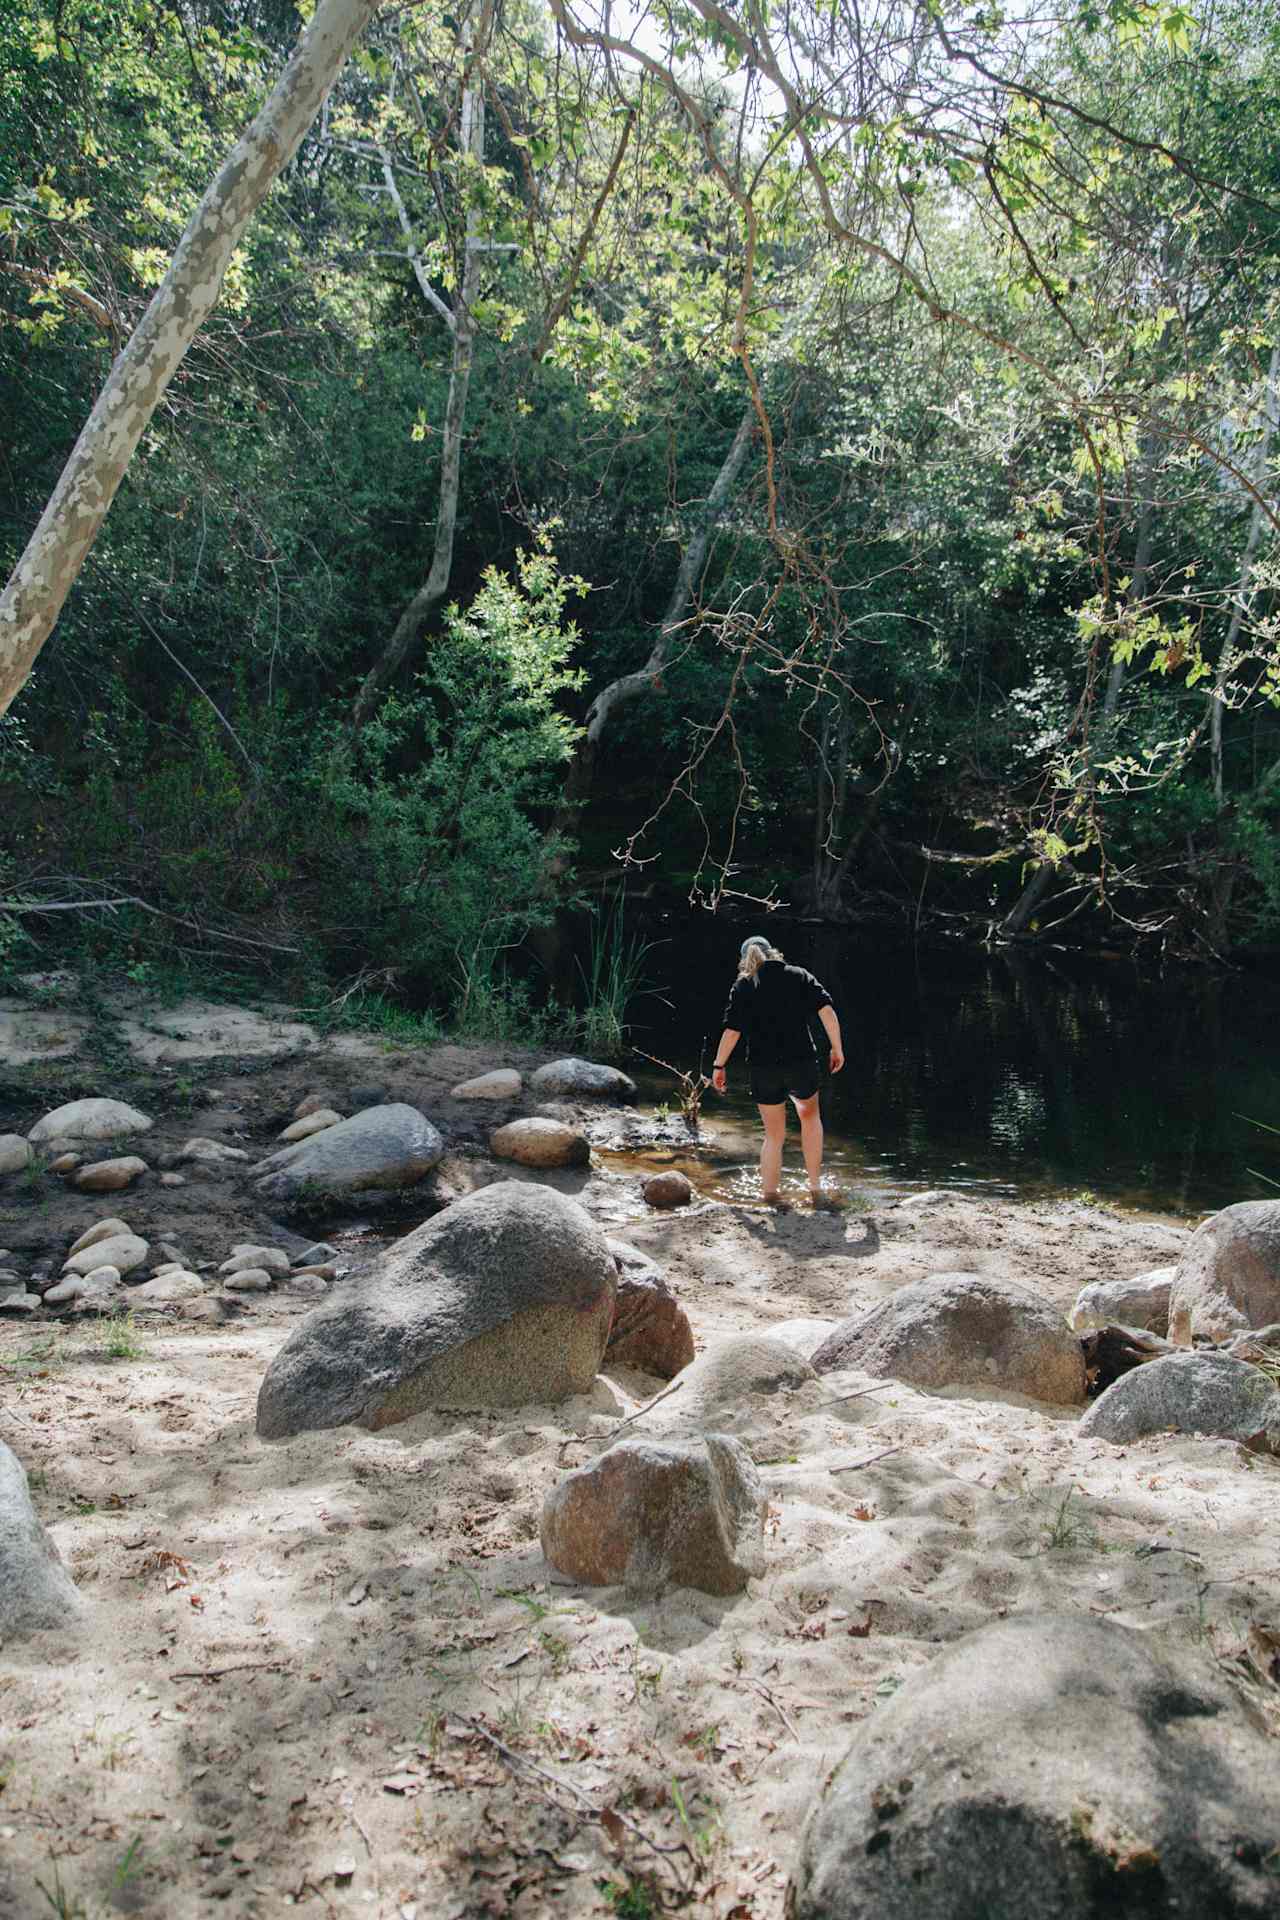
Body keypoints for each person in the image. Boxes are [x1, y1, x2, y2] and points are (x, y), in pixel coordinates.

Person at [710, 935, 844, 1211]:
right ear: (774, 953)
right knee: (810, 1118)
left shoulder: (744, 985)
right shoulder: (798, 975)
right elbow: (827, 1011)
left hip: (764, 1068)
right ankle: (815, 1189)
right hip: (801, 1064)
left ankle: (770, 1196)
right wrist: (836, 1048)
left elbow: (732, 1031)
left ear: (746, 961)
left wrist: (718, 1066)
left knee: (774, 1136)